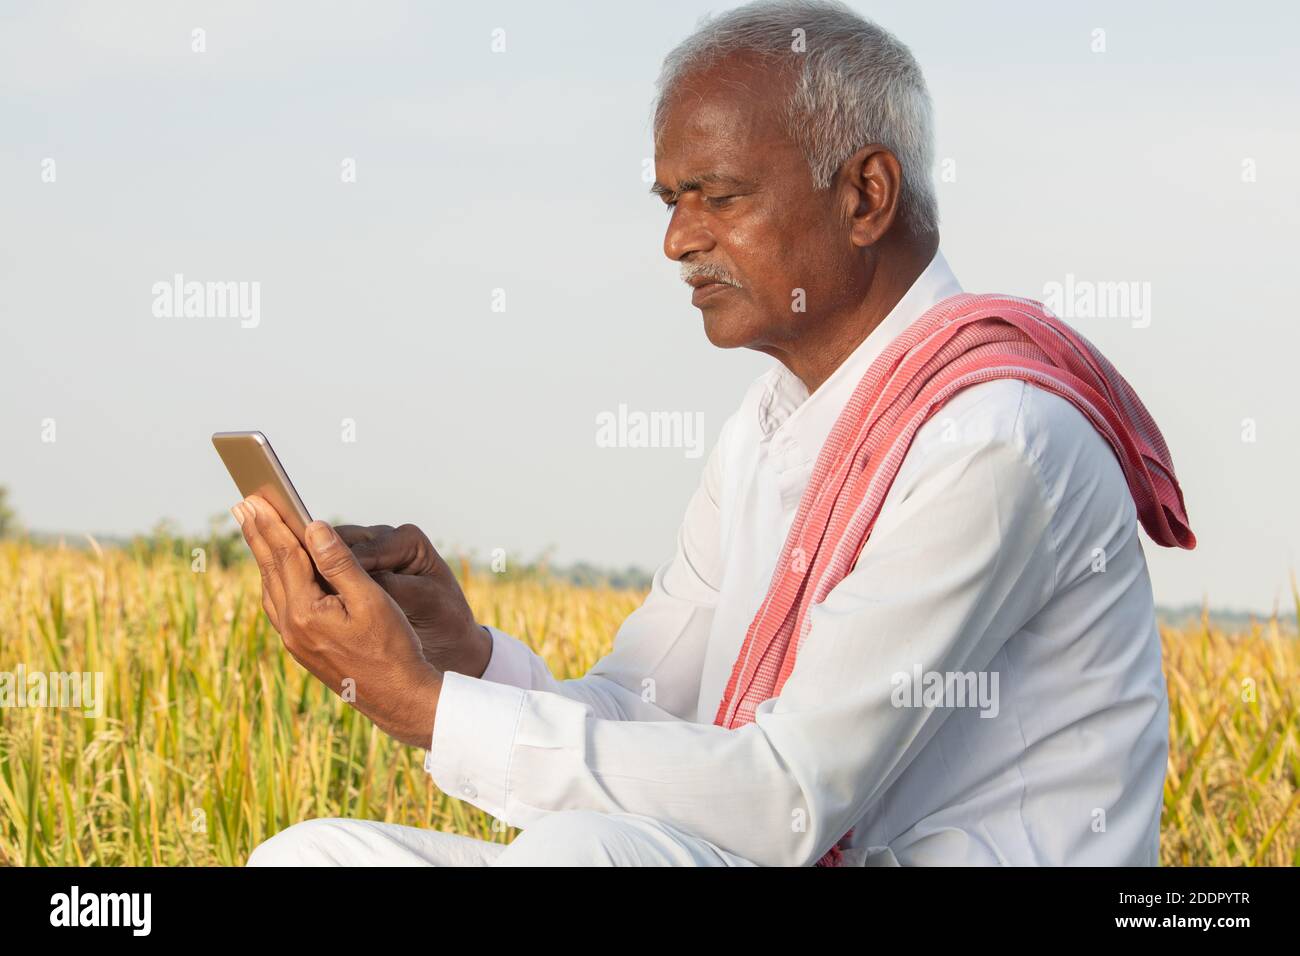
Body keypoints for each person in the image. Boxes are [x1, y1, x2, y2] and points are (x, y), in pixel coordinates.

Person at [239, 0, 1193, 867]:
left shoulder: (992, 439)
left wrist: (419, 706)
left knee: (583, 854)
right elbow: (648, 713)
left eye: (719, 196)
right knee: (311, 857)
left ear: (865, 196)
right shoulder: (769, 426)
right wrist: (465, 658)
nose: (678, 240)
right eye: (669, 200)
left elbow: (787, 799)